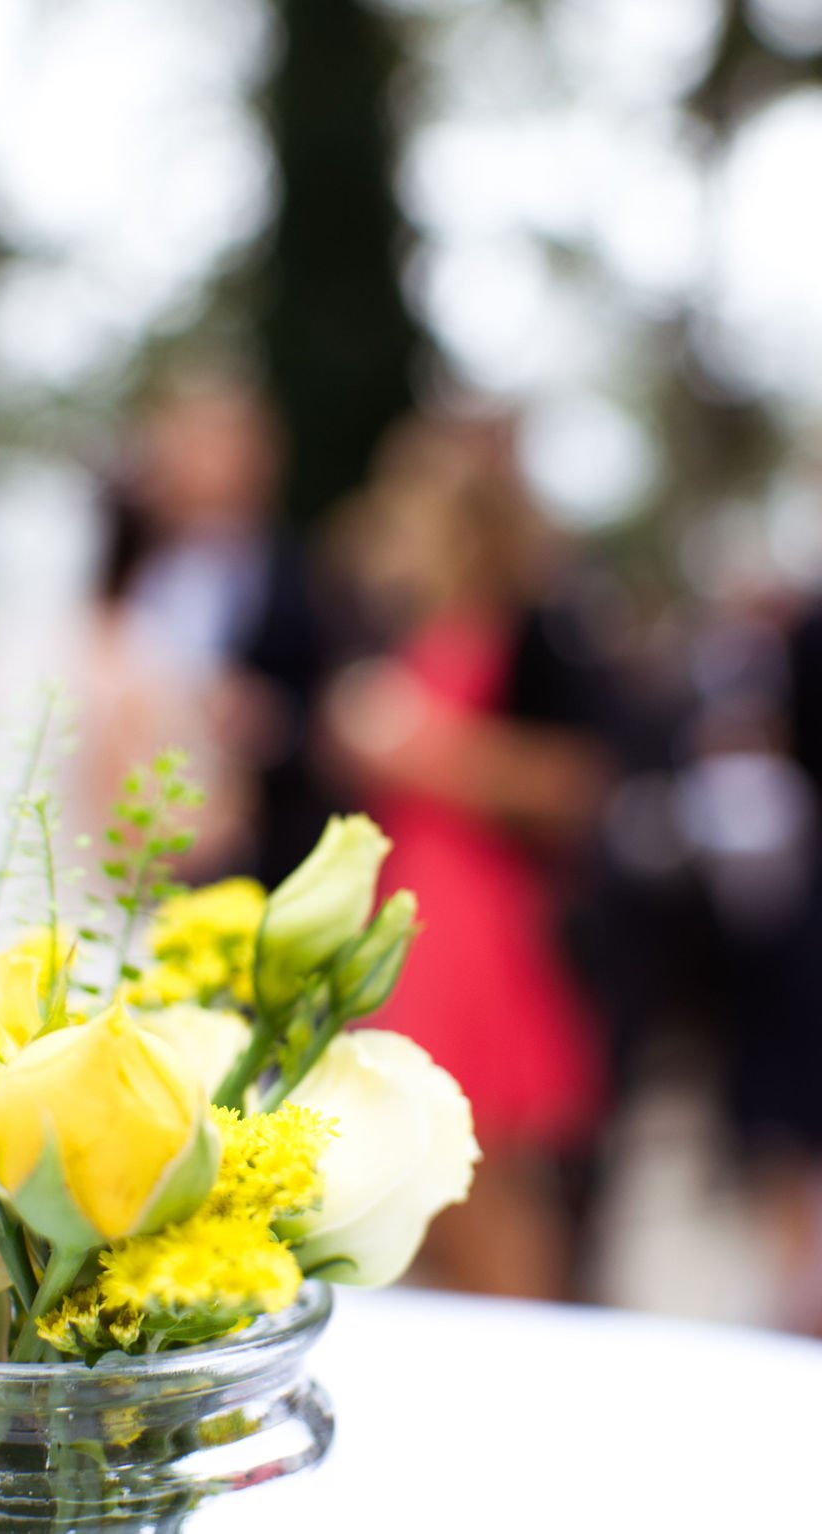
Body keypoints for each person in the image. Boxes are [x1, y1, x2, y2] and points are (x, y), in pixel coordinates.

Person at [321, 414, 614, 1298]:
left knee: (483, 1166)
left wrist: (427, 751)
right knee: (419, 1175)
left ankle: (531, 1342)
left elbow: (578, 782)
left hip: (475, 917)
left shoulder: (536, 633)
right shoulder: (397, 628)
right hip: (408, 905)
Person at [87, 379, 332, 886]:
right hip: (124, 846)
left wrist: (272, 725)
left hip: (259, 856)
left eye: (221, 443)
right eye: (190, 442)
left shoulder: (309, 580)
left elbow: (333, 714)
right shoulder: (125, 575)